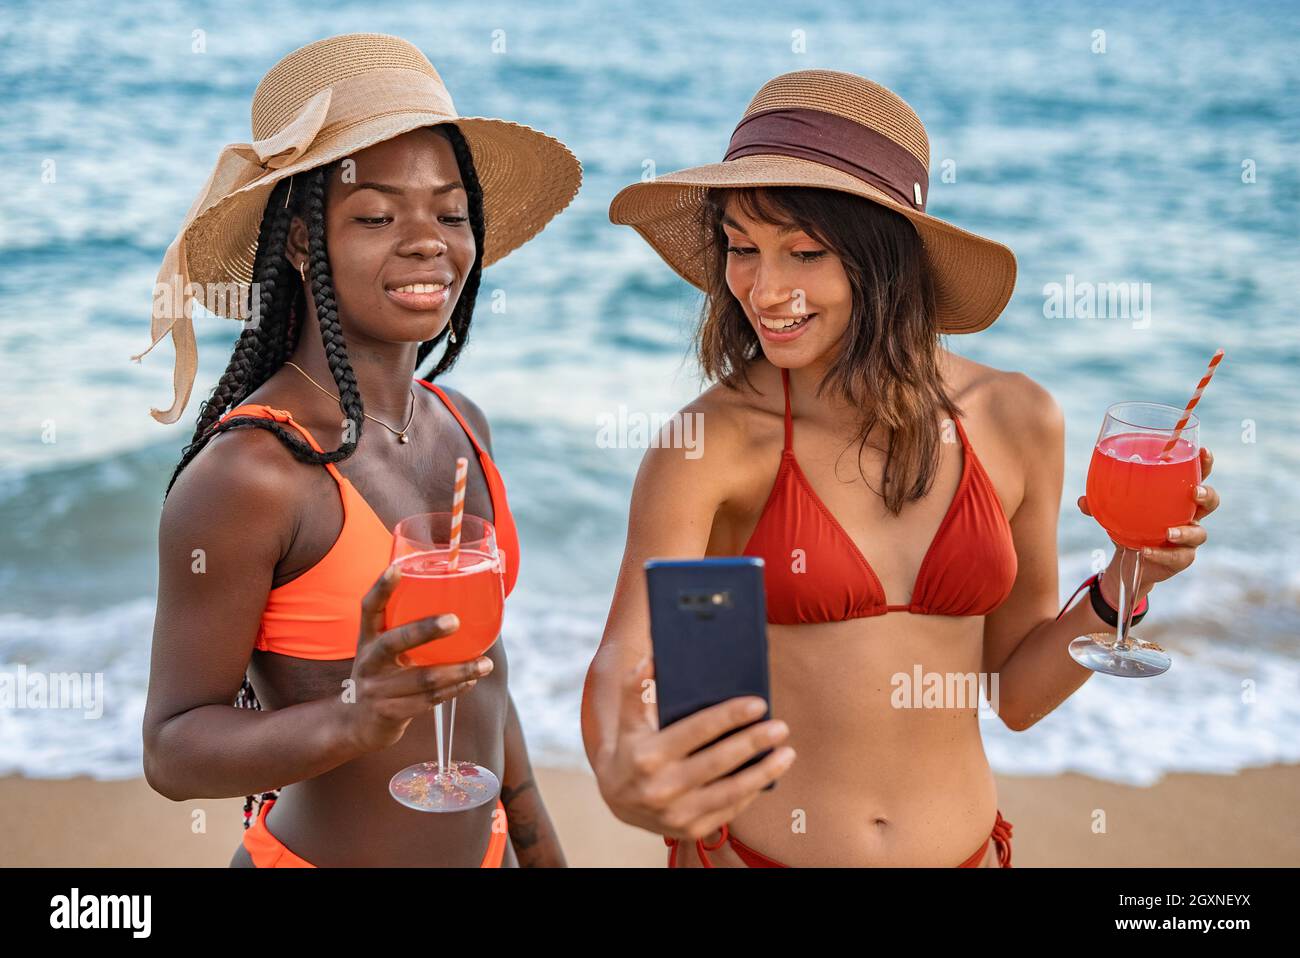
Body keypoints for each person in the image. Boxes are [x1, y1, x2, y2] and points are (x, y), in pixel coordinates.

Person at [582, 69, 1220, 867]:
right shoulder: (713, 441)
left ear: (887, 261)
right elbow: (625, 659)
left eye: (805, 251)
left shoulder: (1019, 419)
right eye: (742, 249)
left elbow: (1014, 694)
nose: (764, 287)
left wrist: (1131, 578)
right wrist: (619, 768)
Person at [139, 33, 581, 867]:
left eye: (450, 213)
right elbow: (171, 749)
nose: (427, 242)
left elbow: (482, 672)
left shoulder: (462, 425)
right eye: (376, 215)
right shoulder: (253, 474)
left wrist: (538, 848)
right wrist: (355, 717)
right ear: (304, 243)